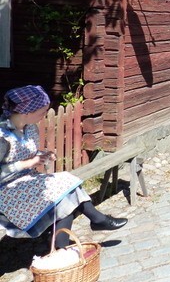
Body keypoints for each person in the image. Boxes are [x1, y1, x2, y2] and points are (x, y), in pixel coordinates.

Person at [0, 85, 128, 249]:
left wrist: (43, 155)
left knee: (67, 188)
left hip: (28, 181)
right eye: (41, 112)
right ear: (26, 112)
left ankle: (66, 244)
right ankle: (95, 222)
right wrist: (28, 163)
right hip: (7, 192)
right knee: (65, 192)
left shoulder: (29, 127)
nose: (44, 116)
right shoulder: (2, 137)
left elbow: (28, 152)